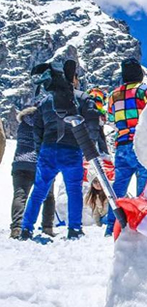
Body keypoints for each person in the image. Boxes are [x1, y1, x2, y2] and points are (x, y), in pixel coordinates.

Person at [20, 59, 99, 240]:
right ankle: (74, 228)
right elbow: (93, 125)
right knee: (73, 190)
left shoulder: (45, 101)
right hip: (72, 149)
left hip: (48, 149)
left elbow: (37, 128)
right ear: (74, 79)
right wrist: (89, 146)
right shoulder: (82, 97)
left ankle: (26, 228)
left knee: (39, 190)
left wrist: (40, 149)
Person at [104, 58, 147, 236]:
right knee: (144, 185)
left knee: (119, 187)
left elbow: (110, 116)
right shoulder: (144, 90)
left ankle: (111, 226)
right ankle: (140, 226)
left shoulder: (114, 94)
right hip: (141, 142)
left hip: (122, 144)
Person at [10, 101, 56, 239]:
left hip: (20, 163)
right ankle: (47, 226)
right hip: (40, 163)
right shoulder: (44, 123)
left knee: (20, 195)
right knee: (48, 196)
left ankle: (17, 227)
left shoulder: (22, 124)